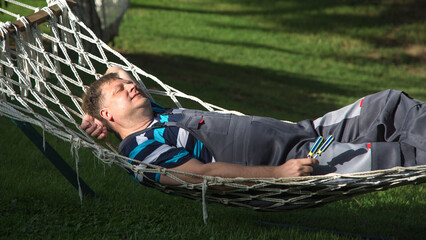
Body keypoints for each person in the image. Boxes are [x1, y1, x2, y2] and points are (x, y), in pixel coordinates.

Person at [81, 66, 426, 187]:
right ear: (110, 115)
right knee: (407, 157)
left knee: (390, 103)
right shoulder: (141, 148)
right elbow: (202, 176)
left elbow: (117, 70)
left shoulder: (156, 112)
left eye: (128, 85)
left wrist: (96, 110)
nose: (129, 86)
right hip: (299, 157)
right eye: (120, 91)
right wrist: (278, 175)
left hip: (303, 131)